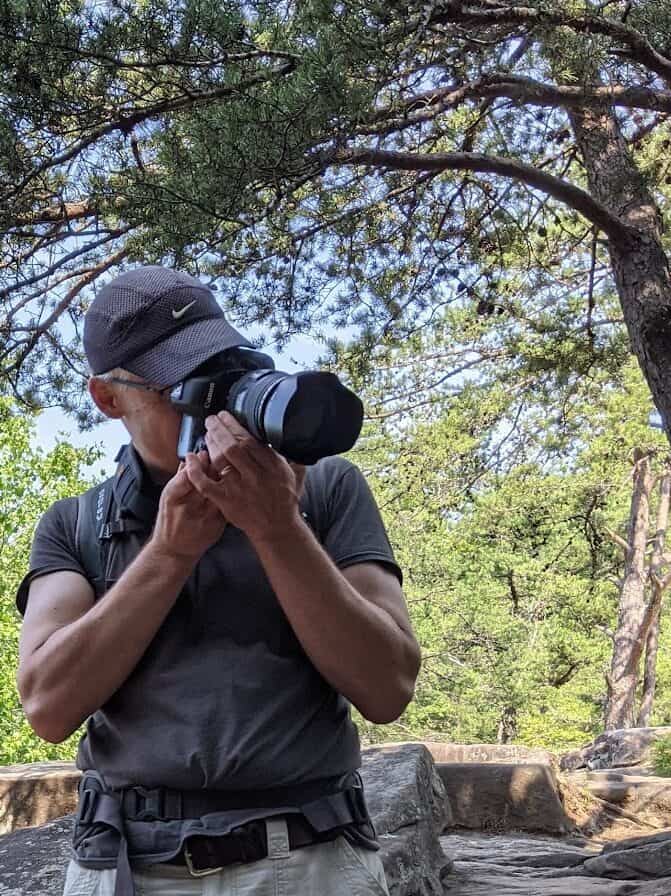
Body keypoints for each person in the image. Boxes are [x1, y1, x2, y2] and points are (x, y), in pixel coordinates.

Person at [15, 266, 421, 896]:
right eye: (180, 384)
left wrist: (279, 531)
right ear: (108, 397)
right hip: (131, 864)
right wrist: (170, 553)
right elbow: (47, 704)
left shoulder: (327, 489)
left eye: (221, 368)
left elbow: (388, 687)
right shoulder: (78, 524)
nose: (210, 400)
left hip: (309, 856)